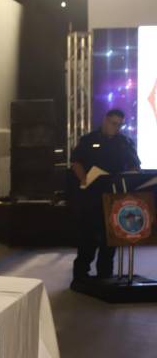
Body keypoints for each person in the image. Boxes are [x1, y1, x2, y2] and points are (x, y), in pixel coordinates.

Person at [70, 109, 140, 281]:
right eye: (113, 123)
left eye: (119, 125)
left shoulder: (124, 142)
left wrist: (130, 177)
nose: (115, 127)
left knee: (110, 239)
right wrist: (84, 179)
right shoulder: (89, 140)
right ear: (105, 120)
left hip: (114, 197)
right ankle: (80, 275)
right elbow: (76, 162)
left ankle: (104, 275)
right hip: (92, 196)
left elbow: (134, 166)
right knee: (89, 237)